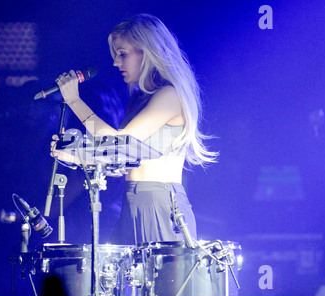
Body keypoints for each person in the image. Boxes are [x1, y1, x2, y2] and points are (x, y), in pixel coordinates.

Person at [51, 13, 218, 245]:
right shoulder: (139, 100)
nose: (116, 63)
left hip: (158, 202)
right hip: (132, 200)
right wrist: (78, 155)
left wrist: (75, 101)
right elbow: (120, 158)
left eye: (122, 54)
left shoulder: (170, 95)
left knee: (161, 280)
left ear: (147, 52)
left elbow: (121, 143)